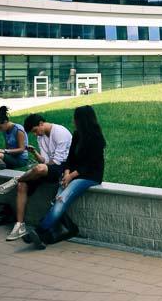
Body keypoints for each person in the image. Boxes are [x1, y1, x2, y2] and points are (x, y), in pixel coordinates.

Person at [24, 105, 106, 249]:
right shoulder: (77, 134)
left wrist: (71, 176)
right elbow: (70, 159)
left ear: (82, 120)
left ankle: (40, 230)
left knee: (62, 199)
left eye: (75, 118)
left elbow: (89, 164)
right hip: (73, 174)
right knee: (57, 198)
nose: (73, 121)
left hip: (90, 176)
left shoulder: (96, 138)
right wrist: (67, 172)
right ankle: (54, 232)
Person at [0, 113, 72, 241]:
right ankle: (20, 225)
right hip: (48, 168)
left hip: (64, 168)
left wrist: (39, 167)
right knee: (23, 184)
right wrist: (35, 153)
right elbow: (45, 160)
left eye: (35, 131)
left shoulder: (60, 132)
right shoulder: (41, 137)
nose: (35, 134)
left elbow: (57, 162)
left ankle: (16, 179)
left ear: (41, 123)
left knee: (39, 169)